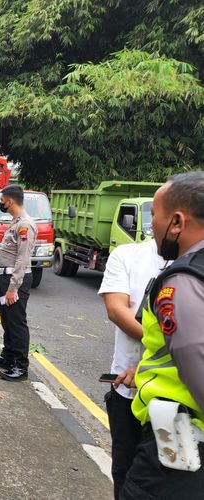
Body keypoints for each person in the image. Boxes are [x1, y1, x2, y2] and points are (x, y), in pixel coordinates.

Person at [116, 172, 204, 498]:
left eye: (154, 214)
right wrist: (140, 371)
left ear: (177, 222)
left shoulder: (181, 281)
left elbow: (197, 363)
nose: (151, 225)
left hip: (180, 430)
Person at [98, 239, 166, 498]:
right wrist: (162, 353)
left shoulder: (192, 268)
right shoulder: (128, 255)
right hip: (127, 392)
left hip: (176, 406)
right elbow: (116, 310)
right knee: (125, 472)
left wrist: (149, 365)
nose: (152, 223)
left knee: (166, 481)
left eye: (156, 214)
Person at [0, 185, 36, 381]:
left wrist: (13, 288)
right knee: (7, 319)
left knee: (17, 322)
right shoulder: (16, 222)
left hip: (16, 280)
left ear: (10, 201)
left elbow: (22, 259)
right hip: (6, 277)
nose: (1, 203)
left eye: (2, 200)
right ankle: (8, 357)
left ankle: (21, 367)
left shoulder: (25, 225)